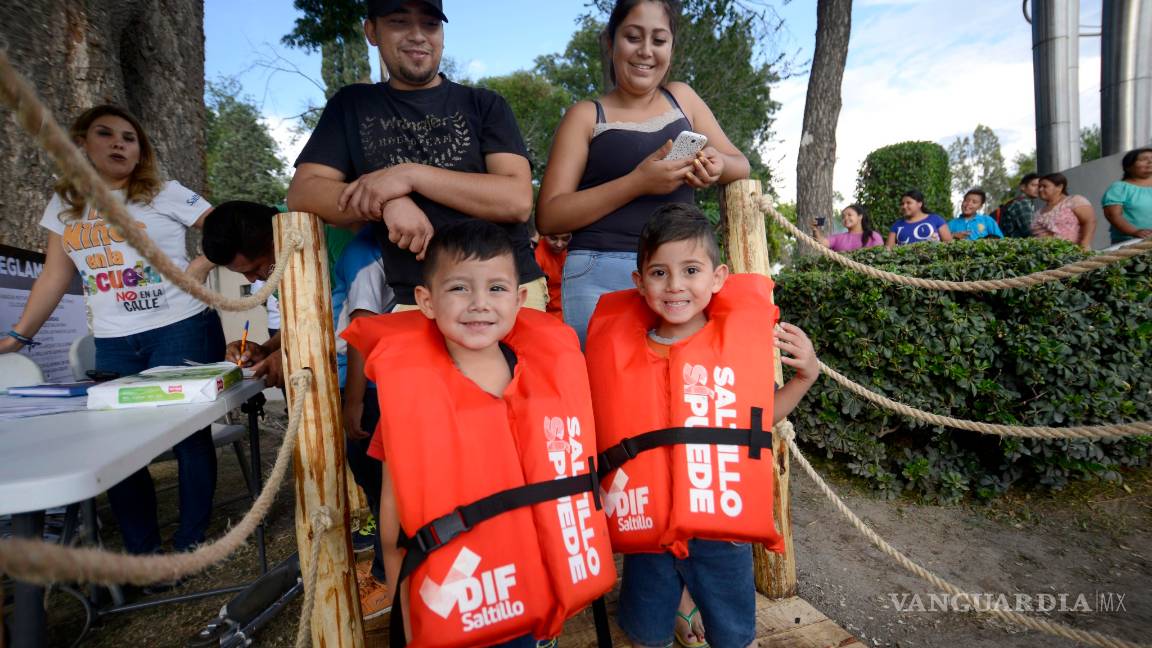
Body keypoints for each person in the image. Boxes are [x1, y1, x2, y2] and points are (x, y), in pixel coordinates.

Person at [342, 220, 615, 645]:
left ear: (520, 299)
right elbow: (394, 518)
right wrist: (407, 611)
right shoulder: (409, 391)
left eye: (496, 289)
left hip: (534, 587)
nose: (479, 304)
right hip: (458, 598)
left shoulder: (548, 379)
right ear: (426, 301)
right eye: (459, 289)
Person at [584, 204, 819, 648]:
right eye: (659, 273)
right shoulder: (616, 358)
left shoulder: (736, 353)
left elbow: (760, 418)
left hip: (721, 531)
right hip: (647, 535)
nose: (675, 286)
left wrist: (807, 376)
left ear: (718, 278)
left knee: (734, 636)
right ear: (638, 282)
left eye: (691, 270)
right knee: (646, 634)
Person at [0, 105, 221, 557]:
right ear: (80, 144)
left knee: (189, 437)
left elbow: (226, 227)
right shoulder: (65, 206)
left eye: (129, 137)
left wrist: (197, 267)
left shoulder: (163, 192)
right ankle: (142, 552)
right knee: (118, 445)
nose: (120, 143)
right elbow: (54, 277)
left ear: (140, 152)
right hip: (115, 343)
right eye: (106, 134)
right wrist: (17, 336)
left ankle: (189, 544)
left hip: (180, 328)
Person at [287, 0, 545, 312]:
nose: (418, 35)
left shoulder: (485, 104)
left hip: (507, 292)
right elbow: (304, 192)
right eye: (398, 21)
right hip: (417, 299)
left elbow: (516, 200)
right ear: (371, 30)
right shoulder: (351, 105)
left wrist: (408, 176)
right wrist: (387, 201)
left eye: (430, 24)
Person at [202, 201, 395, 620]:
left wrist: (351, 396)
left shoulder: (346, 249)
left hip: (367, 387)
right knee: (370, 479)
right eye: (247, 276)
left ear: (279, 240)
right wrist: (267, 349)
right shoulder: (314, 255)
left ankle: (387, 579)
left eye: (256, 268)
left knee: (383, 488)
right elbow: (315, 316)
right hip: (348, 382)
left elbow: (360, 329)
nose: (256, 280)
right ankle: (386, 566)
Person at [535, 0, 751, 346]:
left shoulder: (683, 98)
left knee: (680, 388)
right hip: (597, 274)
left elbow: (740, 163)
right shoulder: (586, 115)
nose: (646, 52)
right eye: (633, 37)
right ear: (610, 42)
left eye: (659, 40)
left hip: (678, 276)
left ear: (672, 47)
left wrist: (717, 165)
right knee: (607, 393)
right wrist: (638, 182)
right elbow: (549, 216)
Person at [1031, 173, 1096, 250]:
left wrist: (1084, 244)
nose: (1040, 189)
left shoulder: (1074, 201)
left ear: (1059, 187)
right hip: (1047, 257)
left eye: (1045, 186)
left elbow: (1090, 222)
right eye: (1039, 187)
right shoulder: (1039, 212)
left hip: (1074, 253)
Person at [1101, 147, 1152, 244]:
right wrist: (1134, 232)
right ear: (1128, 166)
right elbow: (1112, 215)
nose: (1150, 162)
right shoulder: (1119, 188)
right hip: (1131, 243)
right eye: (1143, 159)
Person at [886, 189, 953, 248]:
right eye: (902, 204)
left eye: (908, 203)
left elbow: (949, 245)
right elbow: (889, 249)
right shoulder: (897, 225)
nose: (904, 206)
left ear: (920, 204)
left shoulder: (936, 219)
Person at [811, 203, 883, 251]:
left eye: (849, 215)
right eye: (843, 216)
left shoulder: (873, 236)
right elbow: (822, 243)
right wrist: (815, 230)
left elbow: (880, 255)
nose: (845, 218)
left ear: (860, 217)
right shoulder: (837, 238)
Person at [535, 231, 571, 318]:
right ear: (544, 233)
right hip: (547, 314)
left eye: (565, 239)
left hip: (570, 310)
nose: (559, 244)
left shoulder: (576, 250)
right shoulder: (537, 254)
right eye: (553, 238)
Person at [997, 173, 1040, 238]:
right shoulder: (1022, 202)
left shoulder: (1018, 201)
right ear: (1022, 187)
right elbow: (1029, 230)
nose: (1037, 189)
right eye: (1033, 185)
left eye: (1039, 186)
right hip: (1016, 245)